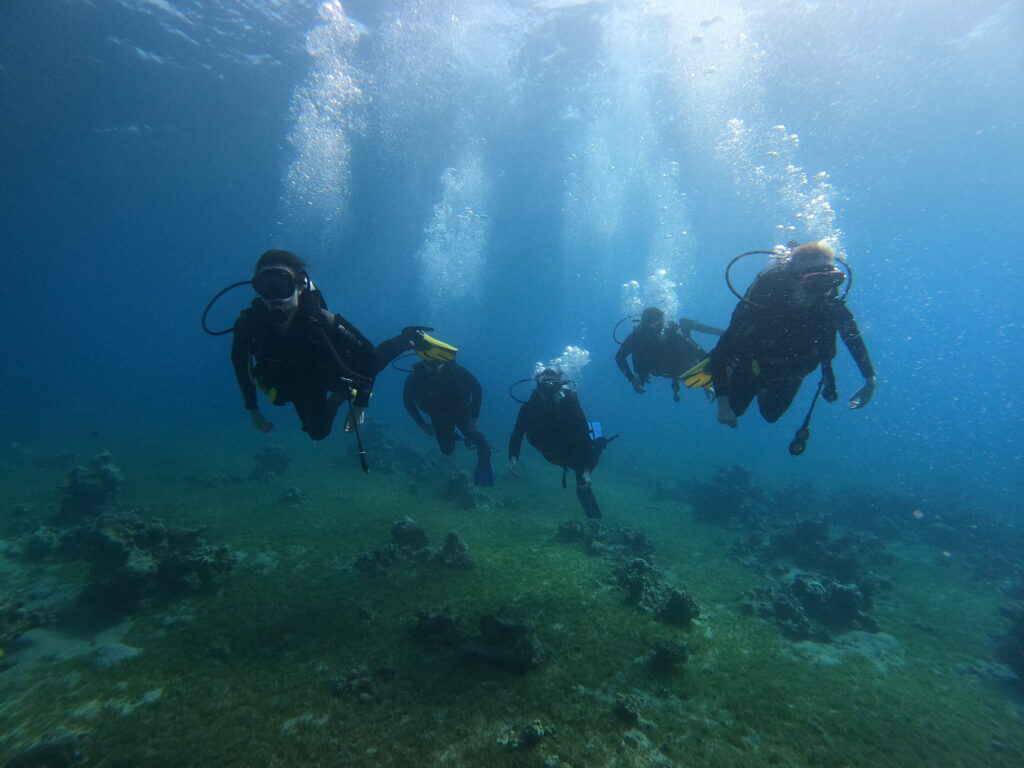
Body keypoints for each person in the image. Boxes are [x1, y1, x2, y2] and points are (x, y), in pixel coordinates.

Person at [231, 249, 419, 441]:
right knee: (317, 433)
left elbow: (370, 356)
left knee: (372, 362)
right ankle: (339, 396)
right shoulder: (247, 325)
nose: (274, 297)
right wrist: (252, 410)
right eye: (265, 286)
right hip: (302, 380)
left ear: (299, 287)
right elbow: (240, 364)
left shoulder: (325, 321)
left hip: (332, 369)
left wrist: (360, 404)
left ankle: (409, 338)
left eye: (282, 284)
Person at [709, 241, 876, 428]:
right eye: (814, 281)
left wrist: (870, 379)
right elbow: (723, 348)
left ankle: (758, 386)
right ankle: (729, 373)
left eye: (832, 279)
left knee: (771, 415)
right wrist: (722, 402)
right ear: (795, 278)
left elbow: (852, 337)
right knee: (734, 410)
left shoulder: (828, 300)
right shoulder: (764, 295)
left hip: (792, 369)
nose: (824, 289)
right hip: (752, 361)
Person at [508, 368, 615, 518]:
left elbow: (583, 439)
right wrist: (513, 456)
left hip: (572, 449)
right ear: (537, 386)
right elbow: (518, 432)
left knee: (582, 477)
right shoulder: (529, 408)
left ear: (560, 387)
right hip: (550, 451)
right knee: (579, 468)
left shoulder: (570, 405)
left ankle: (599, 444)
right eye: (544, 386)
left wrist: (586, 471)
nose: (549, 391)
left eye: (554, 386)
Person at [403, 341, 494, 486]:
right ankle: (455, 433)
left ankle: (484, 454)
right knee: (446, 450)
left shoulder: (458, 372)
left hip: (461, 412)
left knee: (474, 437)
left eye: (438, 364)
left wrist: (474, 417)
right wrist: (422, 424)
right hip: (438, 416)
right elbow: (408, 401)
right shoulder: (416, 376)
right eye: (430, 364)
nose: (435, 369)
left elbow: (477, 389)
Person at [616, 307, 725, 401]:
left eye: (655, 321)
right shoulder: (636, 336)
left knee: (684, 324)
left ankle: (725, 334)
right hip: (658, 368)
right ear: (642, 321)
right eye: (648, 321)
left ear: (662, 321)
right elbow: (619, 357)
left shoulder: (672, 333)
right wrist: (632, 378)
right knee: (638, 349)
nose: (651, 326)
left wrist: (707, 373)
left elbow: (697, 351)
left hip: (681, 366)